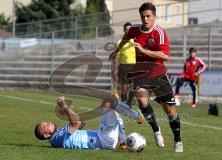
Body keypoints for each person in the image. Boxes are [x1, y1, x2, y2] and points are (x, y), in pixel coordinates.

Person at [109, 2, 183, 152]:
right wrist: (117, 50)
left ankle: (178, 140)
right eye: (143, 16)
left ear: (154, 16)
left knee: (170, 111)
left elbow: (165, 55)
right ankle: (156, 130)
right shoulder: (134, 30)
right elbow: (126, 36)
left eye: (148, 16)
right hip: (141, 75)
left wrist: (143, 50)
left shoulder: (159, 33)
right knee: (141, 100)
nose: (145, 19)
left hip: (158, 75)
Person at [34, 96, 144, 150]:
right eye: (45, 126)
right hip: (103, 140)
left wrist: (68, 111)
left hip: (101, 136)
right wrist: (64, 105)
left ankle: (123, 141)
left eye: (46, 122)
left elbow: (81, 123)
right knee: (109, 102)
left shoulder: (58, 135)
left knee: (110, 108)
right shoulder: (56, 138)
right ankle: (137, 117)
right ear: (46, 135)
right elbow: (76, 123)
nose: (48, 123)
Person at [112, 22, 136, 102]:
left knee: (132, 86)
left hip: (134, 66)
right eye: (126, 30)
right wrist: (115, 69)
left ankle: (128, 102)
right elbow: (117, 56)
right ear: (124, 30)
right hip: (124, 66)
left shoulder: (135, 41)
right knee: (124, 89)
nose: (128, 31)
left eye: (130, 30)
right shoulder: (120, 42)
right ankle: (123, 98)